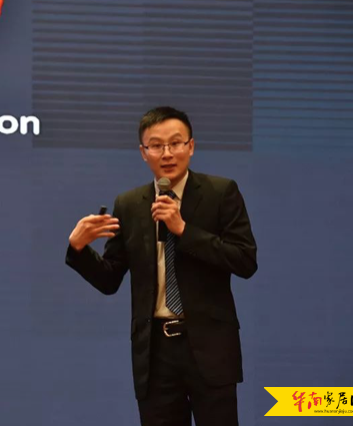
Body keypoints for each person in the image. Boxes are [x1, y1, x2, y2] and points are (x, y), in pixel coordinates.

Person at [65, 107, 258, 426]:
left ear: (191, 146)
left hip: (209, 347)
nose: (167, 153)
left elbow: (244, 260)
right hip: (154, 354)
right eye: (156, 145)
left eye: (175, 143)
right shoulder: (129, 204)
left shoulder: (221, 193)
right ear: (144, 153)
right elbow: (110, 279)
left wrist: (183, 230)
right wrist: (79, 248)